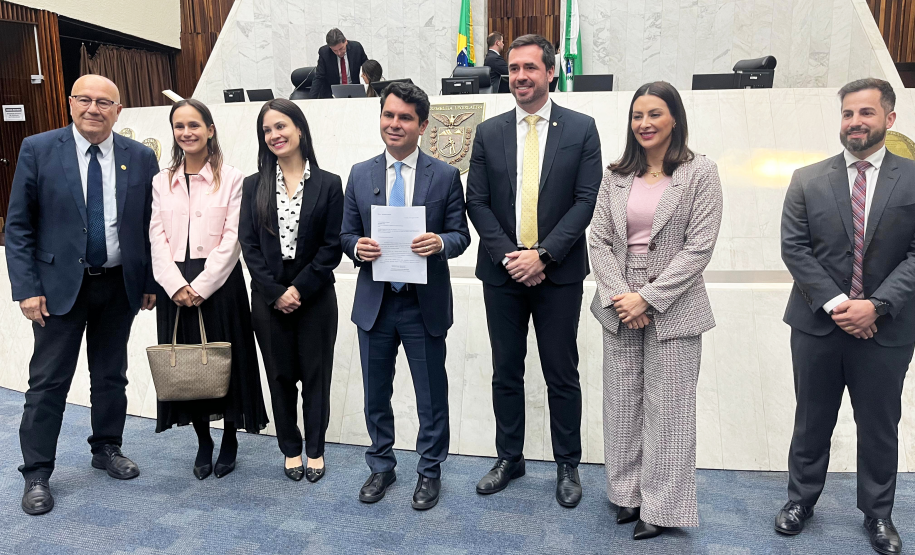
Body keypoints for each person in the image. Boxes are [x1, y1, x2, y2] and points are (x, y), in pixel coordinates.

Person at [6, 75, 158, 515]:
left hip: (117, 285)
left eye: (104, 102)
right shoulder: (38, 148)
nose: (94, 108)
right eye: (85, 100)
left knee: (111, 375)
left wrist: (147, 280)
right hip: (56, 290)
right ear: (70, 103)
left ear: (118, 110)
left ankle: (106, 447)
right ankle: (36, 472)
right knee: (48, 383)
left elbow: (148, 225)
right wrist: (27, 288)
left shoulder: (140, 156)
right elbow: (19, 226)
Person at [776, 78, 915, 555]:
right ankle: (800, 501)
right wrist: (840, 305)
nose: (855, 122)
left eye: (867, 113)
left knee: (879, 424)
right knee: (812, 419)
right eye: (848, 114)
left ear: (889, 119)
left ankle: (878, 515)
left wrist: (875, 306)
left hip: (888, 327)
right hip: (817, 324)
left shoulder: (914, 178)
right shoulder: (807, 178)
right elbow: (794, 249)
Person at [466, 34, 602, 508]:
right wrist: (513, 257)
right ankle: (510, 457)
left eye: (529, 68)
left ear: (550, 72)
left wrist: (542, 255)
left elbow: (587, 201)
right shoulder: (489, 131)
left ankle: (568, 464)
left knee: (561, 372)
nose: (519, 76)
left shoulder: (582, 128)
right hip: (502, 273)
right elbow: (476, 202)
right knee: (506, 372)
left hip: (558, 273)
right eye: (513, 69)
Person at [589, 81, 723, 540]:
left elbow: (699, 248)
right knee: (623, 405)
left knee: (669, 411)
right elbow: (599, 239)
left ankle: (662, 508)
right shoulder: (614, 175)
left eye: (654, 114)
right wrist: (624, 296)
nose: (644, 124)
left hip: (675, 306)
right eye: (637, 115)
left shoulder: (700, 172)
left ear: (674, 119)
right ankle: (627, 496)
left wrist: (648, 297)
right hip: (619, 302)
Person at [340, 82, 470, 510]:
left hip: (422, 304)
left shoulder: (446, 175)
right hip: (375, 303)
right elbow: (345, 233)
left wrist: (442, 244)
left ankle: (429, 471)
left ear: (423, 126)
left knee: (430, 394)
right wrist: (357, 248)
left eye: (405, 118)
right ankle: (381, 465)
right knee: (376, 392)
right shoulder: (360, 173)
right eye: (389, 115)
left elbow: (460, 235)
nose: (395, 124)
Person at [149, 99, 268, 481]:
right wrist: (175, 284)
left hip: (219, 283)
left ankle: (230, 438)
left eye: (194, 125)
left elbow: (234, 238)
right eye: (179, 126)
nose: (187, 132)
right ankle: (203, 441)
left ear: (210, 129)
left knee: (224, 363)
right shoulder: (160, 180)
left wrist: (201, 286)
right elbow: (156, 236)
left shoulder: (232, 178)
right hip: (174, 285)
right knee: (187, 368)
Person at [239, 99, 343, 483]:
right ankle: (290, 448)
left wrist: (298, 288)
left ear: (299, 129)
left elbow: (332, 246)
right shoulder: (254, 185)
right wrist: (275, 291)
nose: (274, 135)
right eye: (267, 130)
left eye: (280, 126)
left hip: (314, 295)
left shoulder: (329, 183)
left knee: (317, 377)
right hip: (268, 298)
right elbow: (248, 245)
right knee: (279, 377)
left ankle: (315, 448)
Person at [309, 28, 369, 100]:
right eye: (335, 50)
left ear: (345, 41)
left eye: (341, 48)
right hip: (332, 96)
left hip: (355, 93)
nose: (339, 53)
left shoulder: (357, 48)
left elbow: (368, 68)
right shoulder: (324, 53)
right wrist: (311, 100)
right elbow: (319, 77)